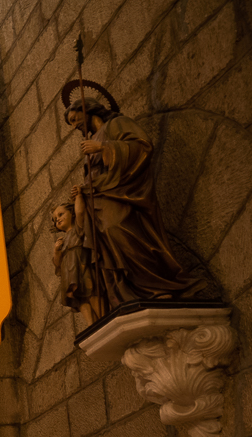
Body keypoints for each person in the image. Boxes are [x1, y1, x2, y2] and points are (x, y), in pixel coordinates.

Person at [63, 98, 205, 320]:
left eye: (74, 119)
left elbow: (143, 146)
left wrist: (103, 147)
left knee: (117, 229)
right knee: (104, 246)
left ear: (87, 110)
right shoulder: (90, 140)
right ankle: (123, 296)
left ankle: (155, 287)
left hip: (119, 193)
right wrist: (82, 189)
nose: (74, 126)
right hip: (97, 198)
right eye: (70, 122)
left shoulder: (116, 124)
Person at [51, 202, 97, 324]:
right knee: (79, 299)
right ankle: (91, 324)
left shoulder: (78, 229)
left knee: (91, 291)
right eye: (55, 219)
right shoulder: (62, 241)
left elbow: (80, 212)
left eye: (61, 214)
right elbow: (58, 264)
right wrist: (56, 251)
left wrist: (78, 197)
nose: (58, 219)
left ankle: (103, 318)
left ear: (72, 213)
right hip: (69, 273)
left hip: (82, 266)